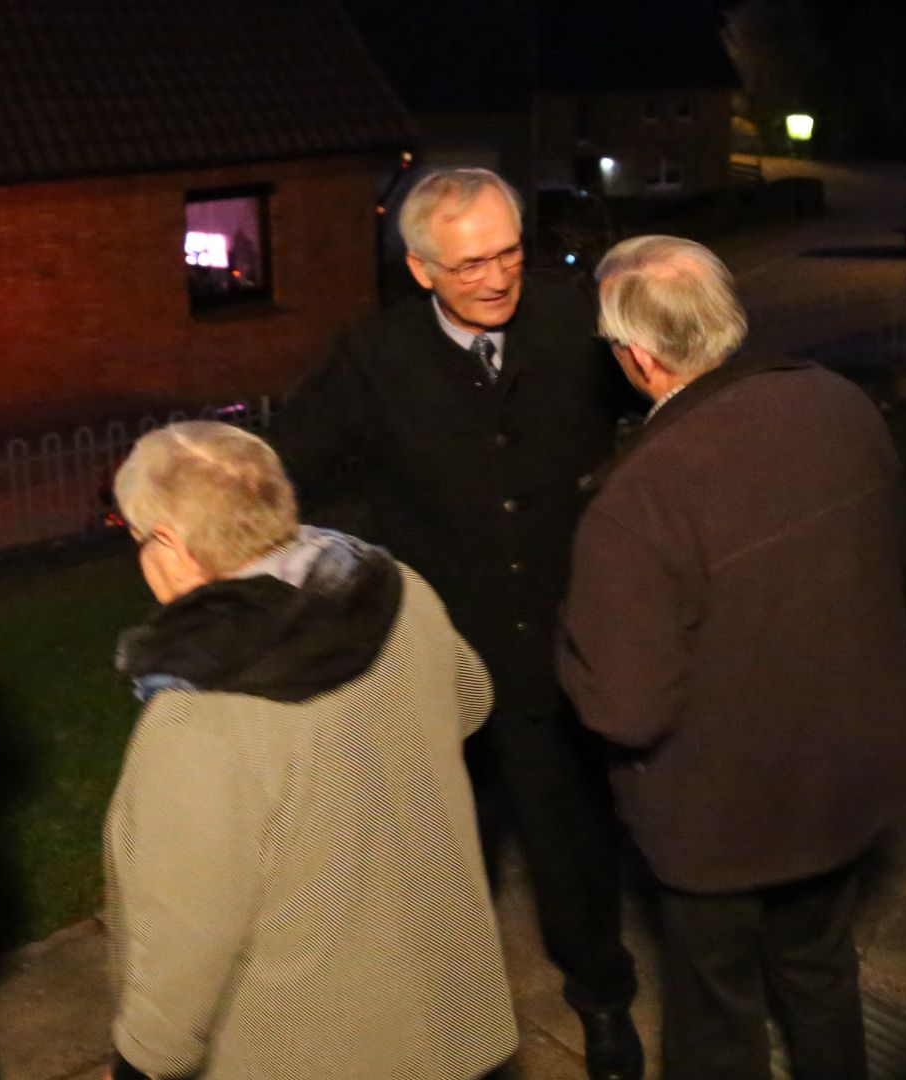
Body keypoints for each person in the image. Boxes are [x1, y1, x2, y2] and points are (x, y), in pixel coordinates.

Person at [274, 167, 641, 1079]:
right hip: (438, 664)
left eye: (509, 252)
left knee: (573, 853)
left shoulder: (579, 321)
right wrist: (376, 550)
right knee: (442, 858)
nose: (497, 277)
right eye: (471, 262)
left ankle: (603, 1002)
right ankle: (450, 1023)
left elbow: (672, 410)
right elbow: (290, 470)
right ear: (422, 269)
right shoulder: (373, 356)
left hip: (562, 651)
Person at [558, 236, 906, 1079]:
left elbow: (624, 706)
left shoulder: (640, 498)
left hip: (718, 824)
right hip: (841, 783)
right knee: (821, 975)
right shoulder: (841, 405)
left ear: (639, 358)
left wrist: (569, 637)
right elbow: (892, 562)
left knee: (718, 1021)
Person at [103, 421, 518, 1080]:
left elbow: (187, 941)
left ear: (172, 546)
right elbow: (470, 700)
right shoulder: (398, 594)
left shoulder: (196, 720)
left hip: (310, 1046)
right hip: (449, 1012)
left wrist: (142, 1062)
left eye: (130, 532)